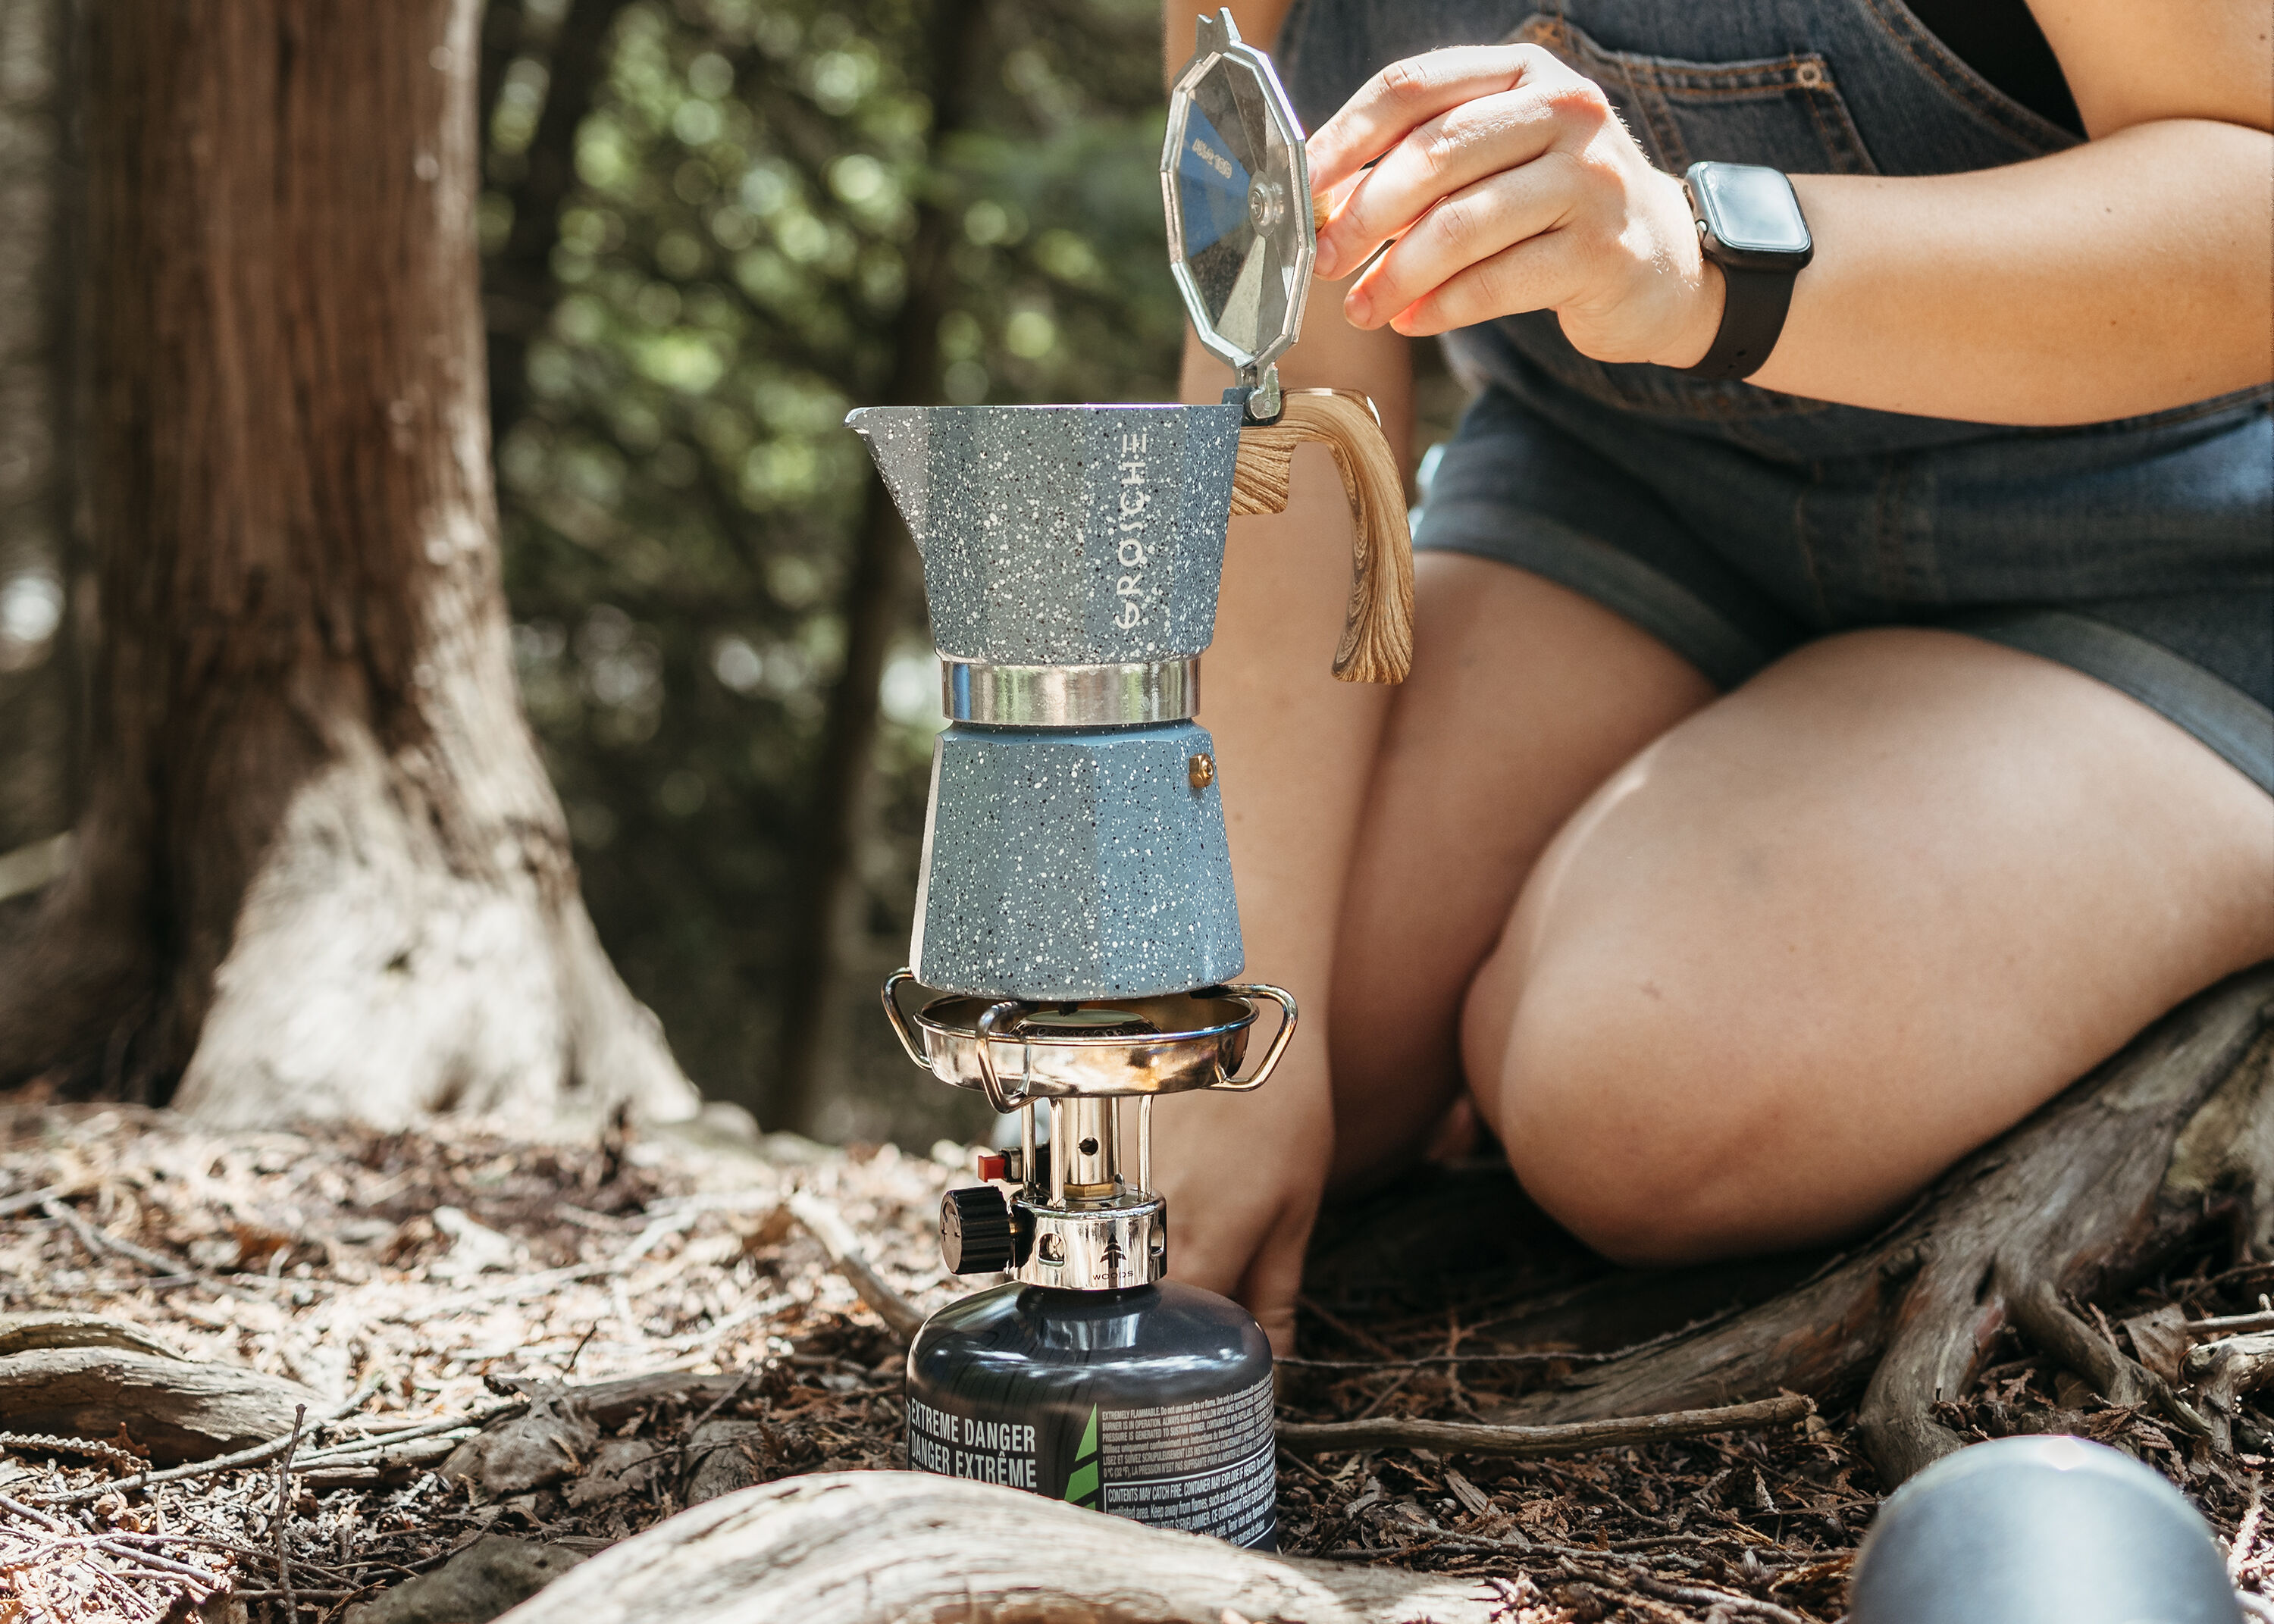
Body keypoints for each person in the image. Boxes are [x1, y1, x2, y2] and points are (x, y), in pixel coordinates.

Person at [1156, 0, 2274, 1350]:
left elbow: (2250, 186)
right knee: (1230, 1060)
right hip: (1631, 483)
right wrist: (1228, 993)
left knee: (1634, 1089)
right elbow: (1276, 358)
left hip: (2165, 520)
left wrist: (1703, 258)